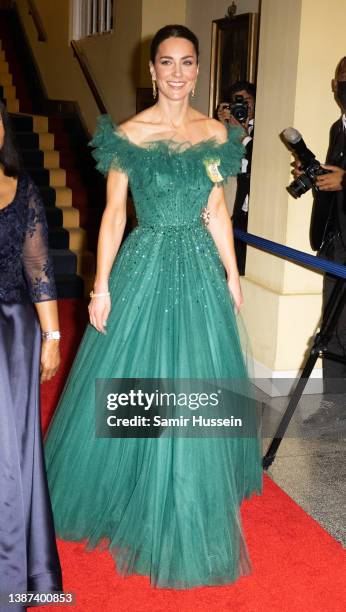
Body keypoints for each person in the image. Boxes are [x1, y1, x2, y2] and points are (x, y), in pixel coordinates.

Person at [44, 25, 263, 590]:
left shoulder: (217, 132)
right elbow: (113, 215)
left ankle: (188, 496)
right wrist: (100, 286)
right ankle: (128, 490)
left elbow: (216, 207)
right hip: (144, 265)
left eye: (187, 62)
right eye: (166, 63)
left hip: (197, 267)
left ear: (197, 68)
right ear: (151, 71)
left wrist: (233, 274)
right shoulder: (128, 136)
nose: (177, 74)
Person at [0, 102, 62, 609]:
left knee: (13, 455)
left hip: (11, 333)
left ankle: (19, 577)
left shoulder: (21, 190)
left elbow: (37, 265)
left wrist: (53, 336)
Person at [296, 57, 346, 390]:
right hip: (333, 241)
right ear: (334, 84)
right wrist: (316, 179)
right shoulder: (337, 127)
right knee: (330, 331)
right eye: (344, 77)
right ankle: (332, 407)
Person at [217, 81, 256, 275]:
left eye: (247, 100)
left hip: (256, 200)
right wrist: (224, 126)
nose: (243, 107)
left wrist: (245, 137)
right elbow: (221, 163)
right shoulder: (231, 130)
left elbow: (260, 156)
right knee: (234, 255)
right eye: (237, 103)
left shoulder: (264, 127)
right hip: (238, 200)